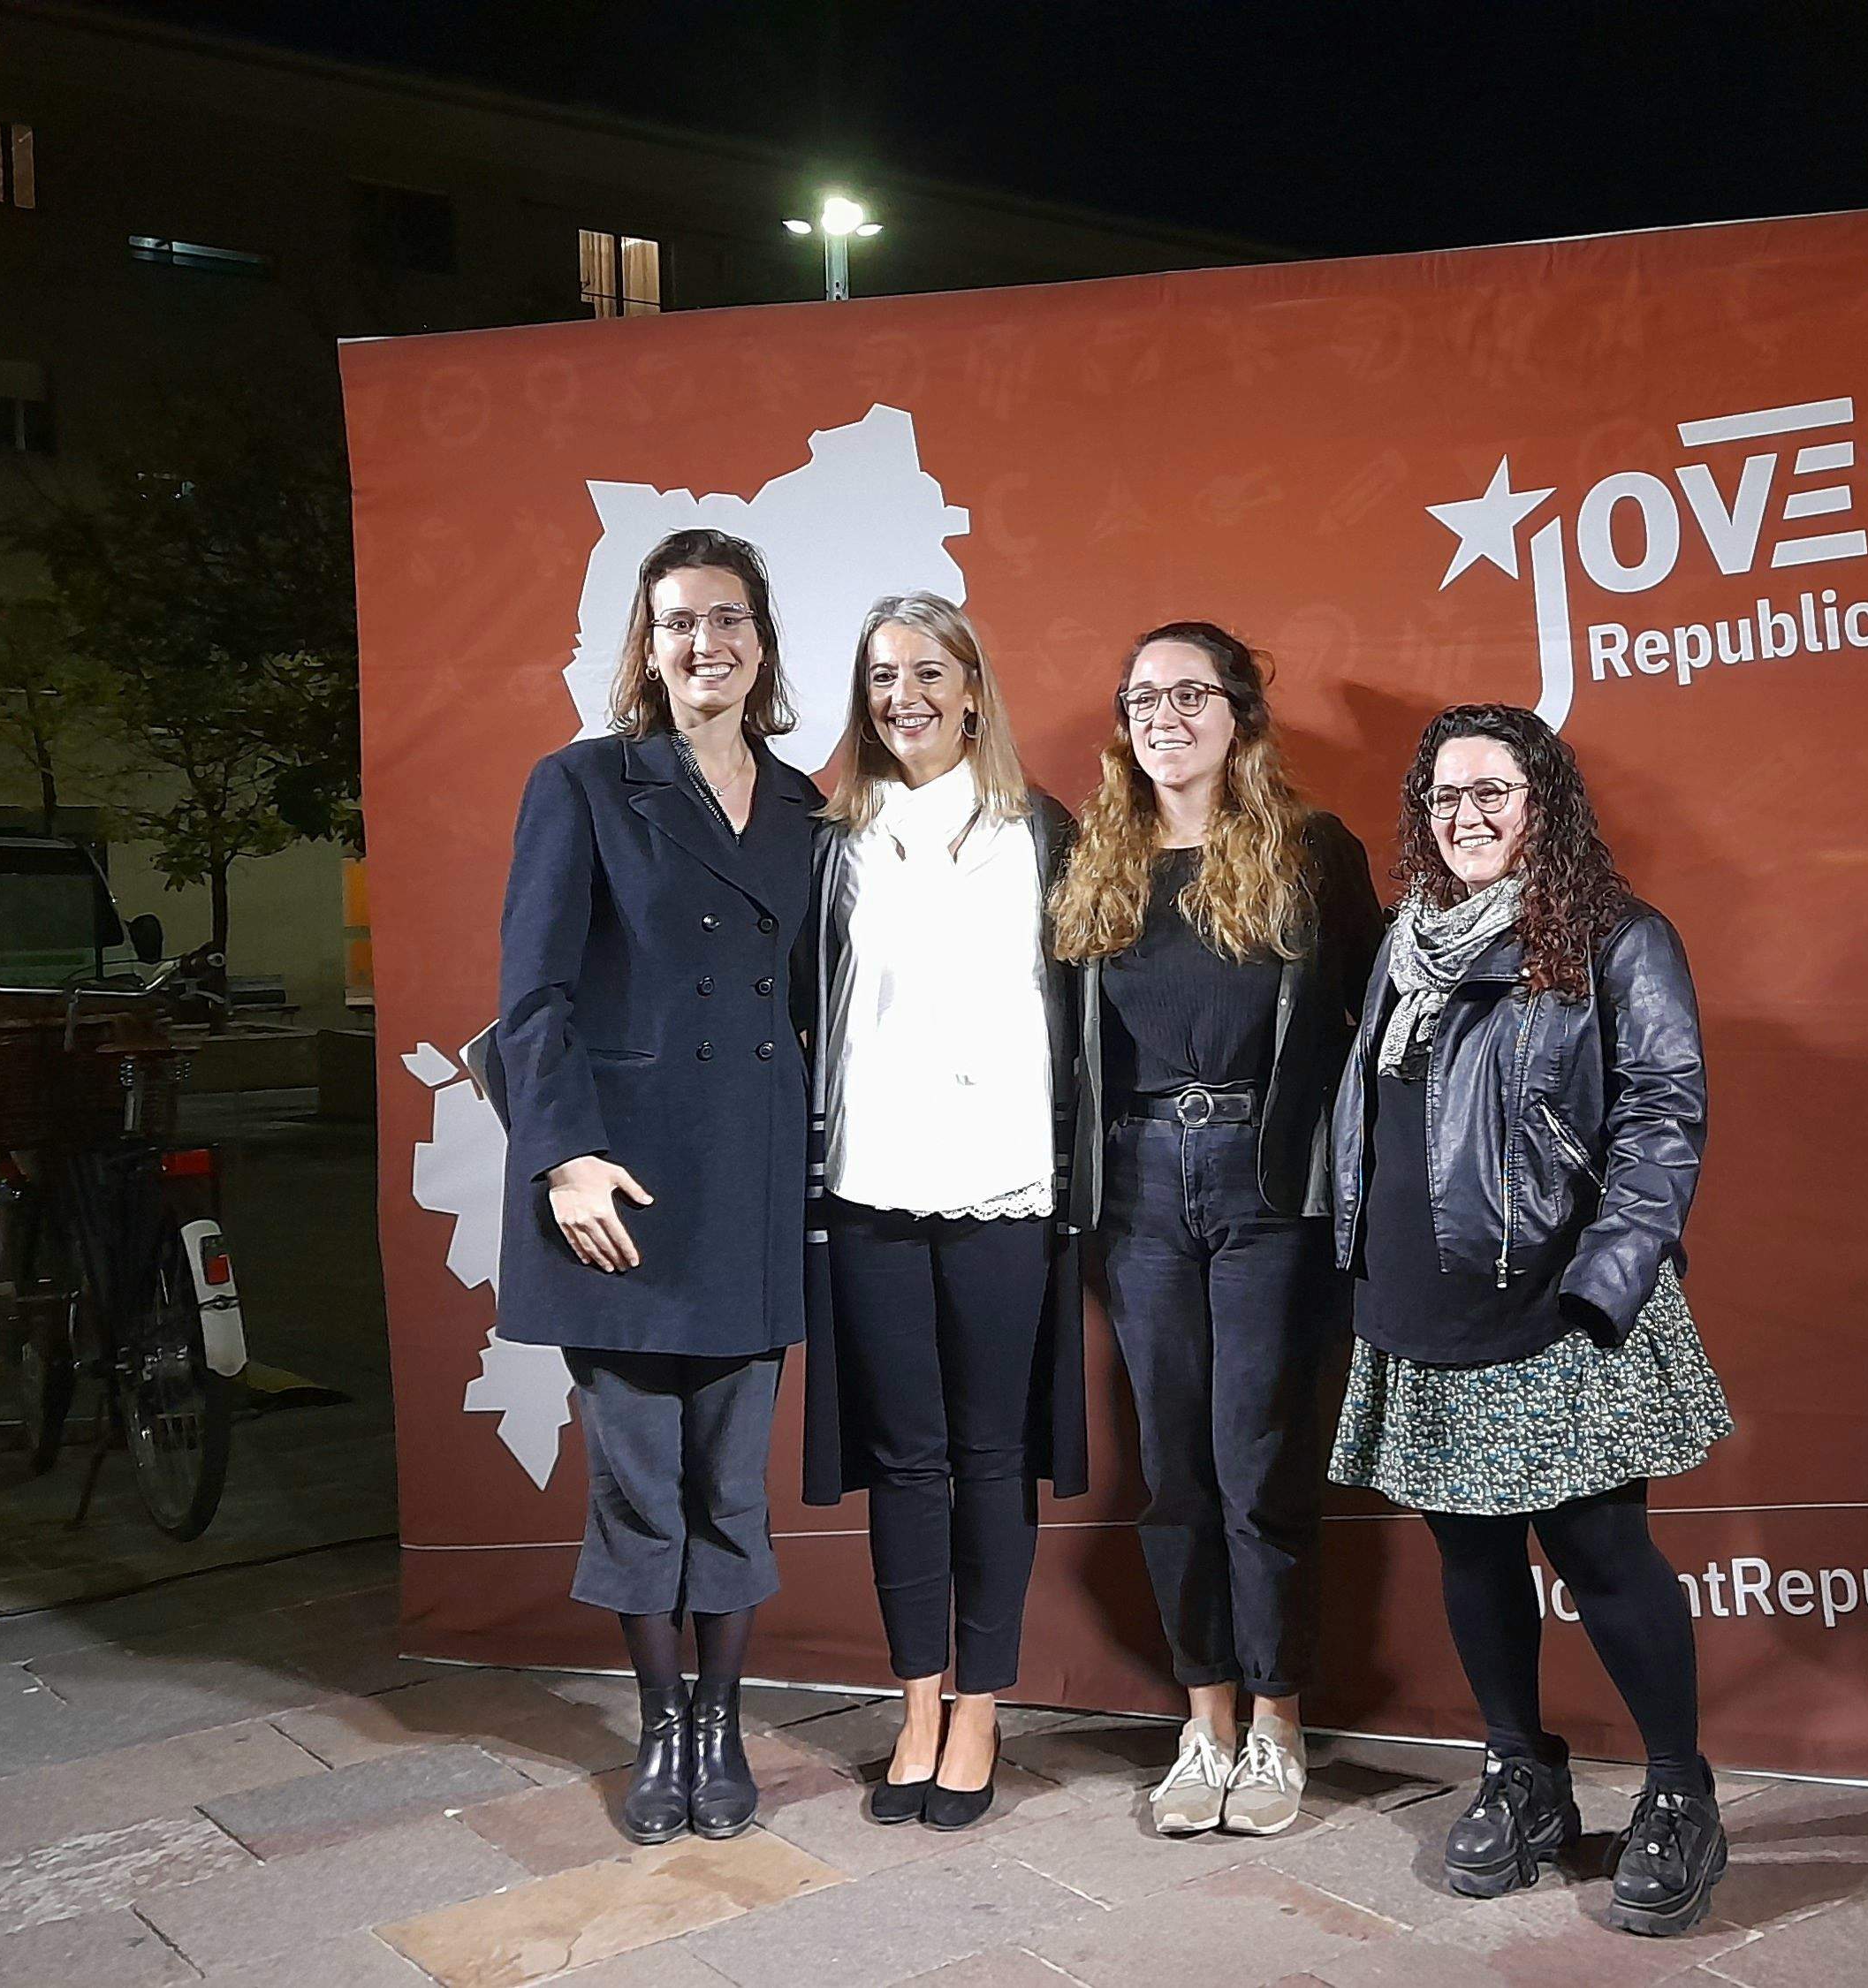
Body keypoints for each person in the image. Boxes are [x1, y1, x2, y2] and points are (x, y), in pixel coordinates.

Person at [1326, 702, 1731, 1938]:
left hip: (1558, 1309)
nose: (1469, 817)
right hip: (1419, 1302)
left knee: (1604, 1558)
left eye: (1494, 790)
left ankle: (1678, 1791)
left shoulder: (1617, 936)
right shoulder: (1408, 940)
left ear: (1543, 801)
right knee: (1472, 1556)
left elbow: (1664, 1117)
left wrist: (1605, 1283)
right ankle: (1523, 1769)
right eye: (1447, 797)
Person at [494, 527, 820, 1847]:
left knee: (731, 1485)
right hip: (617, 1185)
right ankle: (662, 1721)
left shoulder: (805, 806)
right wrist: (563, 1159)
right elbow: (532, 1000)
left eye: (729, 619)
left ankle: (727, 1720)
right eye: (680, 621)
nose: (707, 643)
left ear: (761, 641)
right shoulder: (582, 783)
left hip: (745, 1180)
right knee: (640, 1483)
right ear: (649, 645)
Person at [1047, 622, 1380, 1839]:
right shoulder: (1095, 859)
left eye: (1191, 693)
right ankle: (1207, 1721)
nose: (1164, 715)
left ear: (1240, 712)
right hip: (1136, 1190)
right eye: (1143, 696)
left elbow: (1375, 1030)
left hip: (1266, 1188)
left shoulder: (1310, 853)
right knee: (1174, 1471)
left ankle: (1280, 1722)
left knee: (1259, 1463)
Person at [797, 594, 1085, 1833]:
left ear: (974, 684)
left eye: (926, 670)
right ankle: (916, 1700)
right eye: (877, 676)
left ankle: (981, 1705)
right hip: (869, 1185)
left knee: (988, 1453)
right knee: (903, 1459)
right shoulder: (830, 836)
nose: (901, 694)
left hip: (1006, 1187)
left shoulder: (1046, 831)